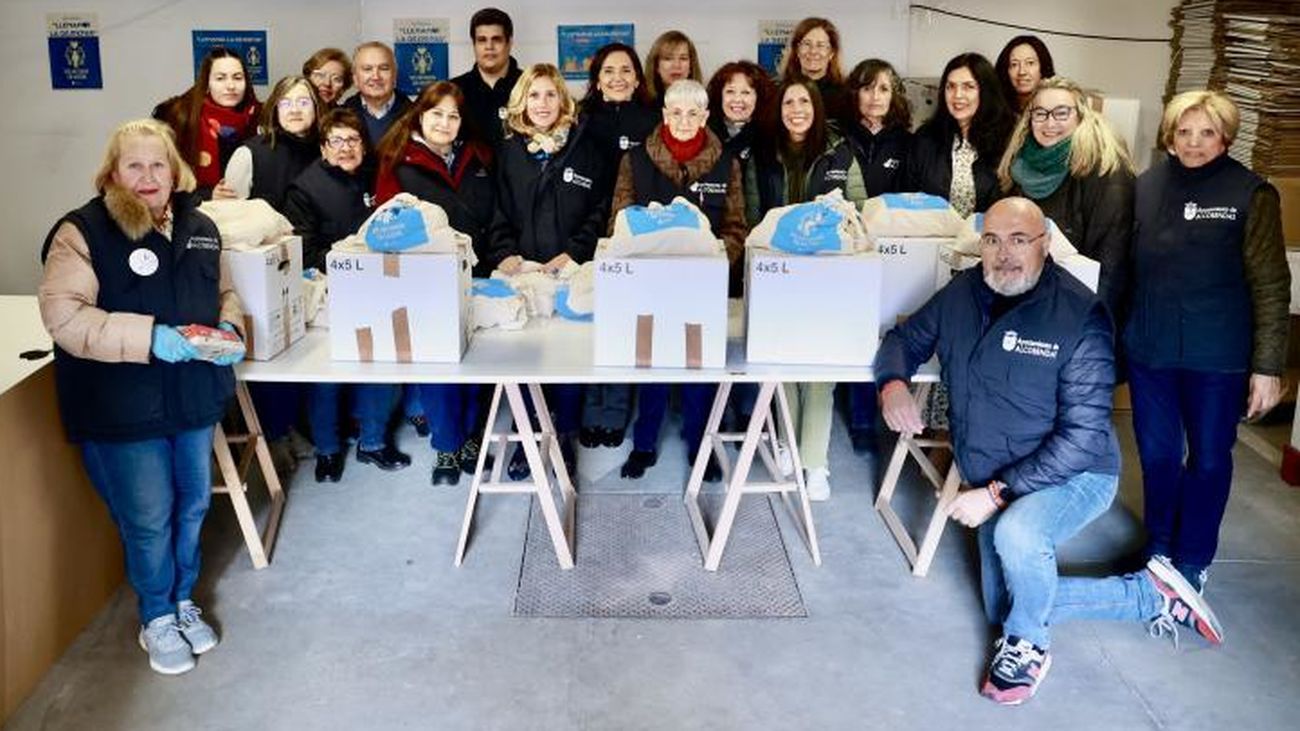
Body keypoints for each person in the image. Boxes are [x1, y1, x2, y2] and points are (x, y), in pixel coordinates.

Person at [875, 197, 1224, 705]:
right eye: (992, 240)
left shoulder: (1080, 317)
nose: (1003, 254)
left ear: (1044, 245)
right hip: (994, 469)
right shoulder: (961, 294)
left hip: (1074, 474)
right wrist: (892, 384)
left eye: (1019, 240)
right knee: (1007, 605)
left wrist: (994, 494)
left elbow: (1082, 437)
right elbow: (903, 339)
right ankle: (1150, 595)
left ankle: (1028, 647)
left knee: (1019, 539)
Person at [38, 118, 246, 675]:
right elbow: (64, 315)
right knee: (150, 516)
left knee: (195, 504)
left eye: (159, 164)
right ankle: (156, 615)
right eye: (135, 165)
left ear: (176, 171)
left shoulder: (201, 225)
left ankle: (182, 599)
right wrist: (151, 339)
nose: (148, 177)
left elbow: (224, 292)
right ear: (112, 173)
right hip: (122, 406)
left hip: (192, 397)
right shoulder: (82, 231)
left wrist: (230, 332)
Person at [1124, 90, 1289, 592]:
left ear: (1226, 138)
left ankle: (1192, 559)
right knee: (1156, 456)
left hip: (1216, 358)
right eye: (1184, 132)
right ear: (1169, 136)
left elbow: (1270, 283)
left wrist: (1267, 366)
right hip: (1150, 350)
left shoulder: (1252, 193)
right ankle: (1158, 549)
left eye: (1207, 133)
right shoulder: (1145, 187)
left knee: (1210, 459)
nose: (1193, 143)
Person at [611, 79, 747, 482]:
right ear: (664, 115)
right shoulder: (635, 161)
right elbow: (619, 222)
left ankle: (699, 445)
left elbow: (737, 226)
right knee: (652, 367)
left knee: (697, 367)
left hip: (703, 285)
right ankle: (645, 443)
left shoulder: (727, 163)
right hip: (649, 285)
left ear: (706, 117)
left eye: (693, 113)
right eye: (676, 112)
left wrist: (714, 262)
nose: (684, 120)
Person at [486, 63, 609, 480]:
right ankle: (529, 435)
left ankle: (564, 438)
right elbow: (496, 209)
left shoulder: (587, 148)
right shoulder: (509, 151)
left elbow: (601, 209)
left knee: (569, 361)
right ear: (522, 101)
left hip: (571, 271)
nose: (542, 103)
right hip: (522, 271)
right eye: (534, 95)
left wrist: (575, 252)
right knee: (524, 360)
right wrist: (505, 252)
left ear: (564, 101)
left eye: (550, 94)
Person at [746, 79, 867, 500]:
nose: (796, 108)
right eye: (788, 102)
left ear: (815, 106)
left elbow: (860, 212)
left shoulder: (841, 152)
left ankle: (815, 463)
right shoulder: (761, 153)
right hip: (776, 277)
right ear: (778, 109)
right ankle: (786, 445)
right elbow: (752, 215)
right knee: (781, 366)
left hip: (827, 282)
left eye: (803, 101)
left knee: (819, 372)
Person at [374, 82, 496, 485]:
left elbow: (496, 211)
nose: (445, 122)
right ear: (420, 116)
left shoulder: (478, 157)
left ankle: (469, 438)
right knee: (438, 365)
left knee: (478, 361)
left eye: (453, 115)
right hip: (424, 280)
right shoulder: (399, 161)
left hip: (478, 272)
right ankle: (447, 443)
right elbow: (387, 229)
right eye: (437, 114)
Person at [284, 108, 410, 480]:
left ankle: (373, 442)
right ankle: (327, 450)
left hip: (380, 288)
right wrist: (349, 260)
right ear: (323, 148)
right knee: (327, 374)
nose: (345, 148)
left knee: (381, 365)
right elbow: (303, 249)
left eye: (353, 140)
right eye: (336, 141)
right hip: (330, 292)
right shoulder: (304, 188)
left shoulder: (379, 179)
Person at [576, 42, 661, 449]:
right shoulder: (581, 119)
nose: (617, 78)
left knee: (627, 324)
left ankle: (614, 415)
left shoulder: (651, 120)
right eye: (608, 71)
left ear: (638, 78)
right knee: (593, 321)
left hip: (633, 235)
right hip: (588, 231)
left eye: (625, 70)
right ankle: (591, 413)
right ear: (596, 79)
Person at [997, 76, 1134, 320]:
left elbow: (1111, 266)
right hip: (1024, 306)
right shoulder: (1018, 166)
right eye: (1040, 113)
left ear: (1080, 116)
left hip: (1077, 311)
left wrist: (1091, 328)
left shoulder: (1104, 170)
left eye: (1061, 113)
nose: (1050, 123)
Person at [841, 58, 913, 455]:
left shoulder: (906, 142)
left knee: (878, 330)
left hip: (890, 250)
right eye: (867, 88)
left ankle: (866, 417)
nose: (874, 96)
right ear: (856, 94)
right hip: (846, 249)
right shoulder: (837, 135)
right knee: (851, 326)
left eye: (883, 88)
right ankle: (857, 417)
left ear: (894, 95)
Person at [907, 52, 1015, 218]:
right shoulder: (926, 137)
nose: (957, 95)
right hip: (932, 236)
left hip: (989, 239)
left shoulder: (1009, 139)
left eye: (968, 87)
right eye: (951, 86)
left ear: (986, 91)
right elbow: (908, 196)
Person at [153, 46, 260, 197]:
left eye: (237, 78)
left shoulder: (258, 116)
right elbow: (162, 178)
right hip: (196, 211)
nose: (230, 86)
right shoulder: (180, 116)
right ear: (207, 83)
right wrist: (208, 194)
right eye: (220, 78)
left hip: (246, 210)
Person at [214, 75, 323, 210]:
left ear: (316, 107)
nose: (295, 110)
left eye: (304, 102)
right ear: (276, 109)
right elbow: (230, 218)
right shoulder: (248, 154)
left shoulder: (329, 152)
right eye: (285, 103)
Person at [451, 7, 523, 149]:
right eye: (482, 40)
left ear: (509, 43)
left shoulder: (531, 87)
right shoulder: (453, 90)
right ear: (474, 44)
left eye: (496, 40)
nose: (489, 47)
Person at [706, 60, 776, 171]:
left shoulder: (771, 136)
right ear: (719, 95)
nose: (737, 99)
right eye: (730, 91)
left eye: (746, 92)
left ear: (759, 97)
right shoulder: (704, 133)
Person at [343, 41, 412, 150]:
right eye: (367, 69)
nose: (376, 76)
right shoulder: (340, 117)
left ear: (394, 76)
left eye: (384, 68)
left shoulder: (417, 116)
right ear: (355, 78)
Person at [781, 17, 849, 122]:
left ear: (831, 53)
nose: (813, 51)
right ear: (797, 50)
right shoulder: (778, 90)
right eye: (807, 44)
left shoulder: (846, 94)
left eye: (820, 45)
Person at [995, 35, 1056, 112]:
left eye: (1030, 63)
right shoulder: (996, 111)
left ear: (1043, 67)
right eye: (1014, 64)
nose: (1022, 72)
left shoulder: (1057, 107)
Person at [644, 31, 703, 107]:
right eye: (668, 58)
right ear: (656, 66)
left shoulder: (703, 104)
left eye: (683, 58)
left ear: (691, 66)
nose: (676, 65)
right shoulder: (641, 107)